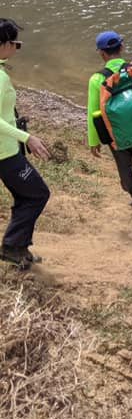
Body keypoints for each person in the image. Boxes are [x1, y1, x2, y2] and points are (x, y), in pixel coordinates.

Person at [88, 30, 132, 224]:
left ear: (101, 53)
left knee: (125, 169)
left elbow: (94, 114)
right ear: (122, 48)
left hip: (116, 136)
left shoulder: (96, 79)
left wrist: (94, 140)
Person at [0, 19, 50, 268]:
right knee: (38, 194)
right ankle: (12, 247)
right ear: (5, 44)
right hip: (4, 153)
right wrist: (27, 137)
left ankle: (19, 248)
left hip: (8, 149)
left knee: (25, 195)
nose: (16, 49)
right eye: (16, 44)